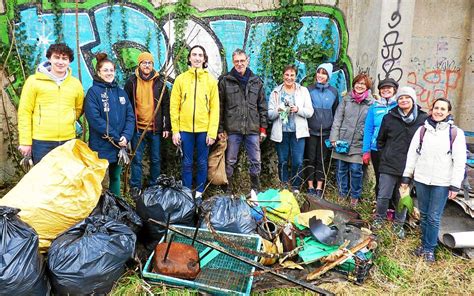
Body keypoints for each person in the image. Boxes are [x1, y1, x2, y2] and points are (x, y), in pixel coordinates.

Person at [401, 98, 466, 262]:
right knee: (423, 215)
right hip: (422, 180)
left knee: (433, 217)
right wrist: (407, 177)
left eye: (443, 109)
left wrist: (455, 185)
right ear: (432, 110)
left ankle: (430, 249)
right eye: (436, 108)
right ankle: (423, 245)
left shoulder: (455, 133)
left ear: (448, 112)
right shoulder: (422, 131)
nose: (438, 111)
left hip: (442, 183)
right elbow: (412, 155)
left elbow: (459, 161)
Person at [372, 86, 428, 239]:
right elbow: (380, 140)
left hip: (409, 167)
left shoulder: (423, 119)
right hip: (389, 164)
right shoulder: (389, 117)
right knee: (383, 195)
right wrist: (385, 156)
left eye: (407, 98)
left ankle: (398, 225)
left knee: (403, 197)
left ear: (413, 100)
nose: (403, 100)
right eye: (401, 98)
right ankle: (379, 220)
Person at [18, 43, 84, 164]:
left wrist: (68, 120)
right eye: (56, 57)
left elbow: (78, 108)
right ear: (50, 58)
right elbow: (25, 112)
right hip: (42, 141)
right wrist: (25, 141)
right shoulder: (33, 81)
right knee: (44, 180)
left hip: (67, 140)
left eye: (64, 58)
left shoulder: (75, 84)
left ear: (69, 61)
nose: (60, 62)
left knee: (66, 179)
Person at [170, 45, 219, 197]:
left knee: (202, 162)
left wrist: (212, 132)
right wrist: (175, 130)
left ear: (204, 59)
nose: (197, 58)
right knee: (187, 162)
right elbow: (174, 107)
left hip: (204, 130)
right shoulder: (181, 79)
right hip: (185, 130)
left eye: (200, 55)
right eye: (194, 55)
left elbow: (215, 109)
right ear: (189, 58)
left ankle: (198, 193)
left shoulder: (211, 81)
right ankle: (186, 193)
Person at [218, 49, 268, 192]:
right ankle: (227, 189)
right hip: (232, 129)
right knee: (230, 161)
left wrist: (263, 129)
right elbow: (220, 107)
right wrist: (220, 129)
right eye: (236, 61)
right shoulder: (225, 81)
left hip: (253, 128)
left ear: (247, 60)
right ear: (233, 62)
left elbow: (262, 106)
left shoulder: (256, 81)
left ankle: (255, 189)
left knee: (255, 160)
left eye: (242, 61)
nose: (239, 64)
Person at [84, 53, 134, 196]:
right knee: (96, 179)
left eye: (111, 70)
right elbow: (94, 119)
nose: (109, 73)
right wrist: (116, 136)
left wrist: (126, 136)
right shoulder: (93, 92)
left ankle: (116, 208)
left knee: (115, 177)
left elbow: (130, 116)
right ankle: (96, 210)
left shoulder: (121, 93)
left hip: (119, 145)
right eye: (105, 70)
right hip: (101, 145)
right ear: (99, 72)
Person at [124, 52, 170, 199]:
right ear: (139, 64)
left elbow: (165, 106)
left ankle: (154, 185)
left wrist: (166, 127)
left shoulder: (160, 83)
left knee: (155, 158)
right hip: (138, 129)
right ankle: (135, 187)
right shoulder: (131, 82)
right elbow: (127, 105)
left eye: (149, 63)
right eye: (144, 62)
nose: (147, 65)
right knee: (136, 159)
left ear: (153, 65)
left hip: (155, 129)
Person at [329, 73, 374, 206]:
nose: (360, 86)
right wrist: (334, 138)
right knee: (341, 169)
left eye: (363, 84)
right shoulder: (346, 99)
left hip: (359, 142)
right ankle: (342, 194)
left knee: (356, 170)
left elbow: (371, 125)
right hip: (343, 140)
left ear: (367, 87)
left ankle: (355, 196)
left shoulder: (371, 103)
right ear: (354, 84)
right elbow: (338, 119)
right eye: (358, 83)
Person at [268, 65, 313, 192]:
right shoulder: (276, 92)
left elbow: (310, 112)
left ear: (295, 76)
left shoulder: (303, 91)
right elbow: (270, 115)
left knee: (297, 161)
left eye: (292, 75)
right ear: (283, 75)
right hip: (281, 132)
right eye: (287, 75)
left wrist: (298, 109)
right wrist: (280, 110)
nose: (289, 78)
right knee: (282, 161)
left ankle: (295, 187)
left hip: (298, 133)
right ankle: (284, 186)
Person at [304, 63, 339, 198]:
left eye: (324, 73)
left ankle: (319, 187)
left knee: (322, 160)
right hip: (311, 131)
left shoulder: (334, 92)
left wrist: (334, 132)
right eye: (319, 72)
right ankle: (310, 186)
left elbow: (336, 112)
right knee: (310, 159)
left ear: (328, 76)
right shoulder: (309, 89)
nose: (320, 75)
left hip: (326, 133)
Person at [362, 77, 399, 196]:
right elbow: (368, 129)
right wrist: (366, 151)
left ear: (395, 90)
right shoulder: (374, 107)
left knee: (393, 180)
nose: (385, 90)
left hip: (394, 149)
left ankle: (392, 208)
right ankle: (380, 208)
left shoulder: (399, 106)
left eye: (389, 88)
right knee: (379, 178)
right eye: (383, 88)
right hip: (376, 148)